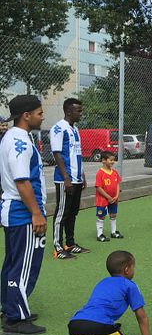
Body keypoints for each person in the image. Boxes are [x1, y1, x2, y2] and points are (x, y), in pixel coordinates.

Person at [60, 251, 152, 335]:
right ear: (127, 270)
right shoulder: (130, 285)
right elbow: (141, 316)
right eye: (133, 267)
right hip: (98, 326)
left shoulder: (102, 282)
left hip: (74, 325)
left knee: (91, 332)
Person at [0, 95, 48, 335]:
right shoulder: (19, 139)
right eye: (39, 113)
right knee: (23, 266)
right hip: (22, 212)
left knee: (12, 263)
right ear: (26, 115)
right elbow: (22, 181)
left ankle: (10, 307)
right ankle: (15, 319)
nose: (42, 116)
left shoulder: (13, 136)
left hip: (15, 211)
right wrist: (36, 214)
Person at [51, 98, 89, 260]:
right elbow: (57, 153)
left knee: (73, 213)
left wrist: (82, 176)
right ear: (68, 112)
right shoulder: (58, 128)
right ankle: (58, 248)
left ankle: (70, 244)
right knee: (62, 213)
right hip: (65, 179)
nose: (81, 113)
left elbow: (77, 154)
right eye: (78, 111)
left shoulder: (75, 128)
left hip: (77, 178)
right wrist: (66, 178)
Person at [94, 152, 123, 242]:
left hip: (114, 198)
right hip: (103, 199)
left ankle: (113, 232)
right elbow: (98, 187)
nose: (112, 162)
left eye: (113, 160)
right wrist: (108, 197)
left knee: (113, 214)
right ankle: (100, 234)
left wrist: (117, 195)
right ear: (103, 160)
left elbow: (117, 184)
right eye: (110, 160)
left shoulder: (114, 172)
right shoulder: (100, 173)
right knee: (101, 216)